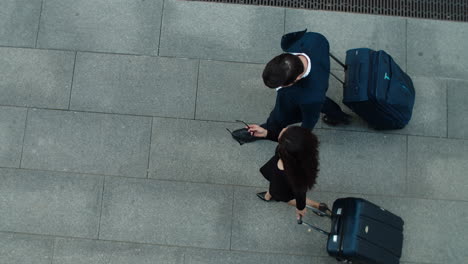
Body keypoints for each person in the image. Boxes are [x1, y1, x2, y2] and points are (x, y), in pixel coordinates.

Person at [231, 30, 350, 143]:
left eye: (281, 85)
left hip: (310, 96)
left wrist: (301, 137)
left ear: (297, 78)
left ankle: (270, 128)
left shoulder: (309, 96)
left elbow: (309, 122)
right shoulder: (316, 39)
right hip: (317, 87)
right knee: (319, 102)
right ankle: (337, 115)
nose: (279, 89)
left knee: (281, 116)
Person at [254, 125, 330, 219]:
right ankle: (269, 195)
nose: (283, 129)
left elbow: (300, 194)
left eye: (286, 131)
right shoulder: (302, 154)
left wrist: (300, 208)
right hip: (282, 177)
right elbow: (285, 142)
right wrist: (266, 133)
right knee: (274, 189)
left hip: (280, 184)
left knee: (281, 196)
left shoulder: (282, 170)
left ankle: (317, 205)